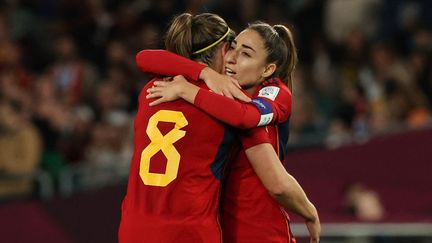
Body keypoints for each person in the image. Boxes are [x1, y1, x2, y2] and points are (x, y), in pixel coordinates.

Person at [120, 13, 320, 243]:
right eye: (233, 49)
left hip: (133, 228)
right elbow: (276, 182)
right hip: (192, 232)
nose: (233, 59)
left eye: (244, 53)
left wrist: (194, 81)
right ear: (223, 50)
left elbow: (144, 57)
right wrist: (310, 212)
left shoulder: (153, 88)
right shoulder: (229, 102)